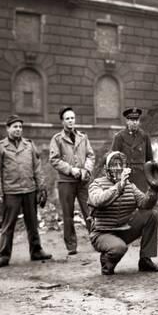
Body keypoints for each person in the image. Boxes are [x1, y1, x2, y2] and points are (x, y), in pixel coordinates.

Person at [0, 115, 52, 268]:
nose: (18, 129)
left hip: (29, 189)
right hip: (11, 191)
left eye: (20, 127)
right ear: (8, 128)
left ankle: (36, 250)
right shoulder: (0, 147)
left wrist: (41, 187)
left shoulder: (29, 145)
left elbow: (37, 167)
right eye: (15, 127)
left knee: (32, 223)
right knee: (8, 224)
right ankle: (3, 256)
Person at [88, 151, 158, 275]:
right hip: (102, 233)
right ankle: (107, 261)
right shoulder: (97, 184)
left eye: (120, 164)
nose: (118, 168)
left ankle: (145, 260)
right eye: (113, 165)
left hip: (124, 229)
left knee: (151, 215)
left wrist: (153, 189)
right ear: (106, 168)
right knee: (119, 248)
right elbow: (98, 201)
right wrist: (119, 186)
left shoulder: (129, 185)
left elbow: (145, 204)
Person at [49, 107, 95, 255]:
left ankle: (97, 240)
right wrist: (71, 170)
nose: (71, 121)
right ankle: (71, 246)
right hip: (66, 182)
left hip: (82, 181)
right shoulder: (57, 139)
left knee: (90, 211)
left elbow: (90, 155)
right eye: (67, 118)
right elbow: (54, 159)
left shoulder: (83, 137)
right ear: (62, 121)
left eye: (72, 118)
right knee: (68, 215)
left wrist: (86, 170)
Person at [111, 107, 154, 192]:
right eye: (132, 120)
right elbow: (114, 160)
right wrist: (118, 178)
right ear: (127, 121)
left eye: (137, 120)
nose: (135, 122)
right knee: (127, 201)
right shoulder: (119, 137)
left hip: (141, 177)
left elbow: (149, 159)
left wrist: (150, 178)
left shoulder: (144, 136)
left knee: (142, 201)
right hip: (125, 176)